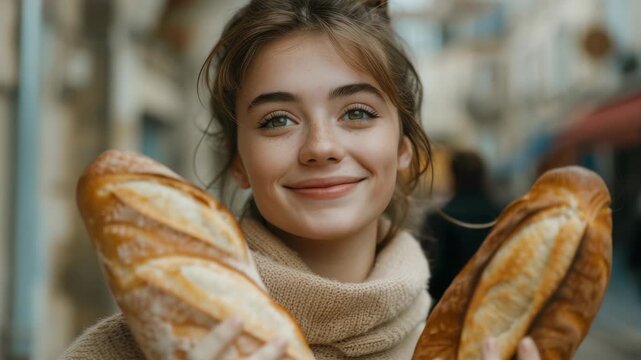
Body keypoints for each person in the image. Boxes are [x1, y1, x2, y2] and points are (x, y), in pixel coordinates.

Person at [62, 1, 540, 359]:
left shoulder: (463, 347)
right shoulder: (135, 347)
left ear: (402, 149)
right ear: (239, 162)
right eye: (277, 120)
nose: (320, 147)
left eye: (356, 112)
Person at [420, 150, 503, 308]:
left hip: (451, 309)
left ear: (453, 175)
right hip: (495, 307)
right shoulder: (505, 213)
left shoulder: (439, 218)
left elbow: (432, 276)